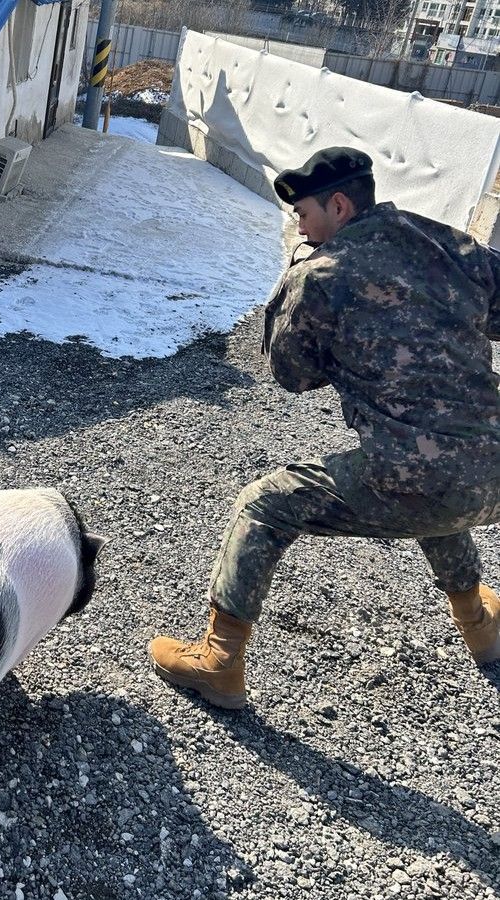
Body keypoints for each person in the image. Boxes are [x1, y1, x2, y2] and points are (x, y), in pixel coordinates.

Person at [149, 146, 500, 709]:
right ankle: (480, 625)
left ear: (339, 206)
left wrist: (292, 282)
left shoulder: (323, 274)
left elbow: (291, 374)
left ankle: (219, 662)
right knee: (428, 484)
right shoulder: (445, 242)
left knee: (264, 504)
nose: (300, 228)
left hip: (421, 474)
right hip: (495, 469)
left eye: (304, 214)